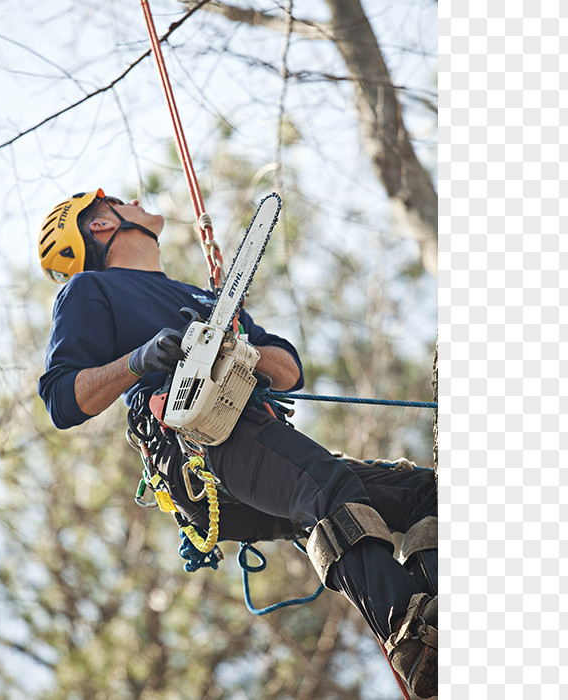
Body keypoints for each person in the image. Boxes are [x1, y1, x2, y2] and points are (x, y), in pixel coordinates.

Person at [37, 189, 438, 697]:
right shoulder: (92, 290)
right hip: (195, 446)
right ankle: (411, 636)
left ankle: (439, 608)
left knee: (427, 493)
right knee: (326, 487)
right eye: (120, 201)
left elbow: (288, 369)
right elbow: (62, 399)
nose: (137, 200)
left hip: (255, 440)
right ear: (99, 225)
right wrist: (138, 360)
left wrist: (232, 342)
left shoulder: (204, 299)